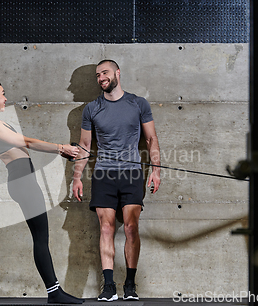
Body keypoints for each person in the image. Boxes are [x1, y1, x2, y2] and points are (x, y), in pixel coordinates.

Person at [0, 80, 84, 304]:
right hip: (22, 181)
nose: (5, 98)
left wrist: (63, 152)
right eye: (3, 93)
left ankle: (54, 291)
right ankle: (54, 292)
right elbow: (27, 142)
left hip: (25, 179)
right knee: (41, 238)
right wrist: (61, 148)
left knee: (42, 237)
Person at [72, 60, 161, 301]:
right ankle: (109, 286)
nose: (101, 77)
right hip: (103, 174)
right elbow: (85, 146)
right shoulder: (92, 109)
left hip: (132, 174)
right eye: (98, 74)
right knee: (106, 227)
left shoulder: (138, 103)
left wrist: (156, 170)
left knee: (131, 227)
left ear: (117, 73)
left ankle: (130, 285)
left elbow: (151, 139)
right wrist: (77, 176)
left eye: (105, 73)